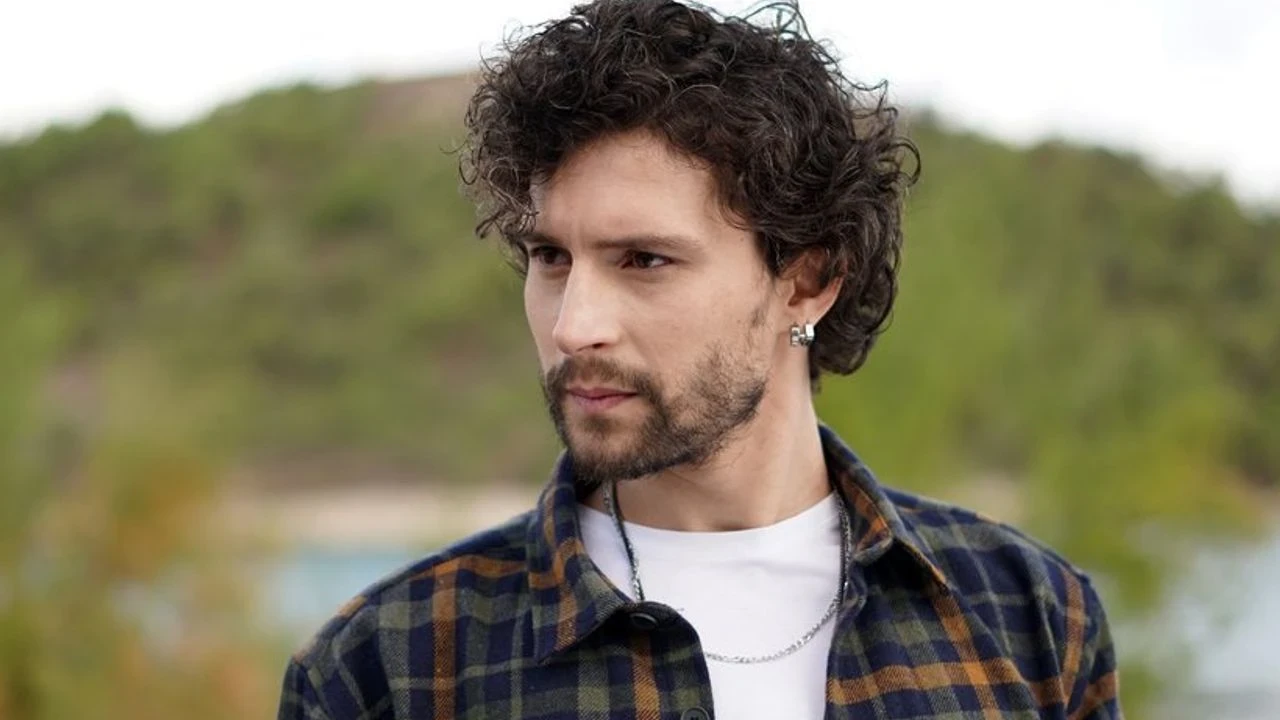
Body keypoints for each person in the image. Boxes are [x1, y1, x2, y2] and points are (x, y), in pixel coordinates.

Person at [277, 1, 1122, 718]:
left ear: (808, 283)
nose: (574, 327)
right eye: (551, 257)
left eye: (644, 260)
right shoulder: (390, 668)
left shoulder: (1033, 619)